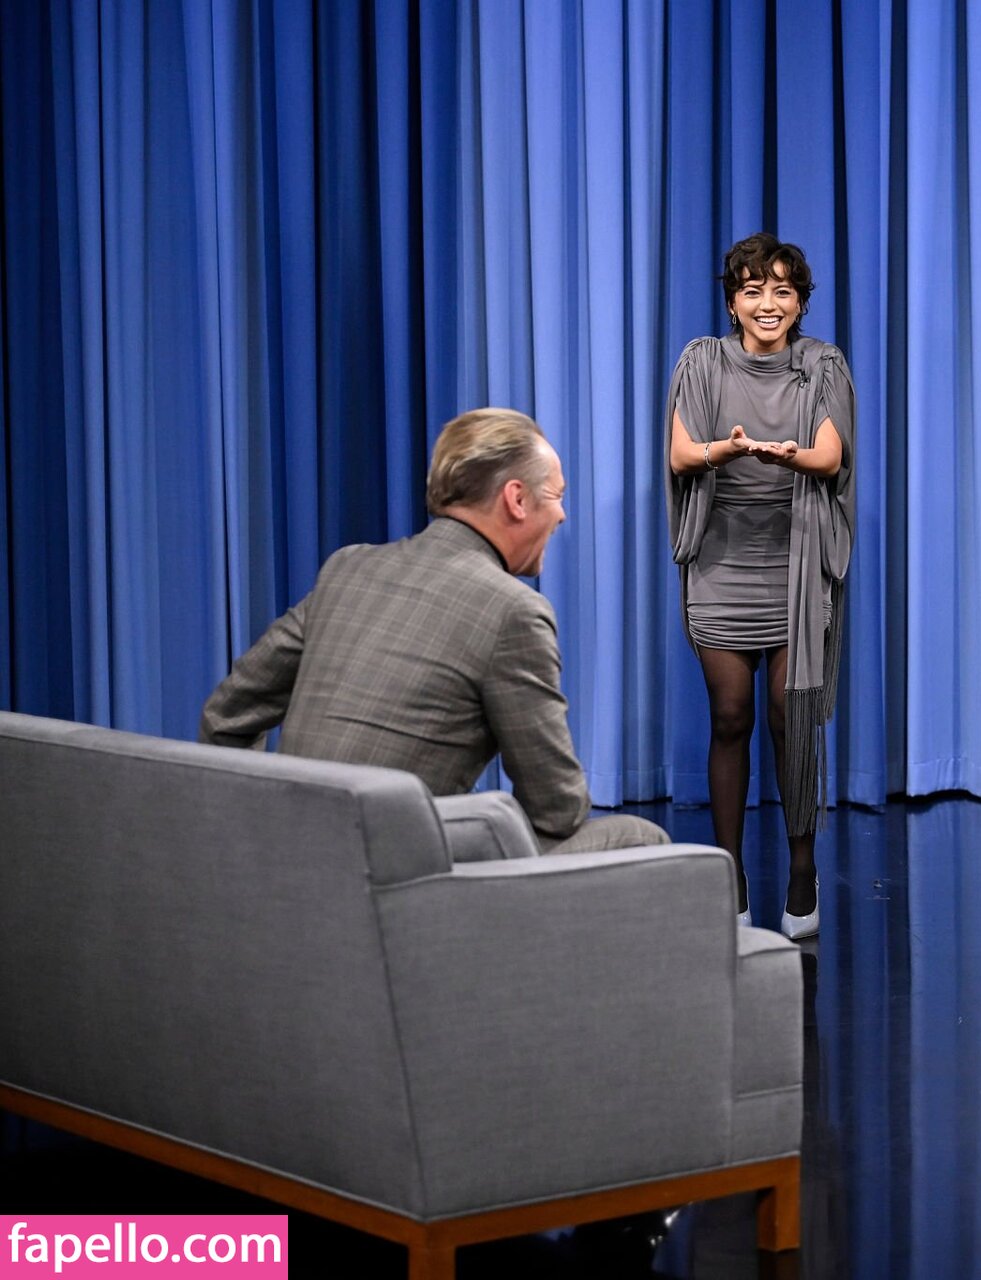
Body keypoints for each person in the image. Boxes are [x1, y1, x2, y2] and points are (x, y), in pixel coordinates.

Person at [201, 408, 669, 856]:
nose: (562, 515)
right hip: (394, 876)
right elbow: (558, 809)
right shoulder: (513, 611)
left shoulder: (348, 569)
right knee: (640, 839)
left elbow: (226, 717)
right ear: (517, 499)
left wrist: (258, 829)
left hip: (285, 857)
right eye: (556, 495)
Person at [666, 233, 855, 939]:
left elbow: (830, 455)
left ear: (800, 302)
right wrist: (728, 449)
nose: (768, 303)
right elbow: (682, 454)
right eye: (753, 291)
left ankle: (802, 870)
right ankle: (732, 877)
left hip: (797, 563)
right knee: (730, 716)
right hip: (721, 564)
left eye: (782, 290)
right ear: (732, 302)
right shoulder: (701, 361)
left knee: (788, 715)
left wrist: (790, 457)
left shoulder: (822, 364)